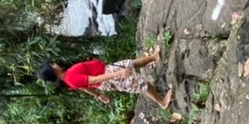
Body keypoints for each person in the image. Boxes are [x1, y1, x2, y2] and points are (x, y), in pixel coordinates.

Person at [38, 45, 173, 108]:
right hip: (108, 76)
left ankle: (154, 57)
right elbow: (94, 80)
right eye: (52, 65)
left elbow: (84, 87)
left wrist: (97, 95)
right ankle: (162, 102)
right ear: (52, 70)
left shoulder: (68, 77)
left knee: (130, 64)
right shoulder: (70, 78)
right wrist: (118, 74)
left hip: (106, 70)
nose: (55, 64)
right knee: (140, 84)